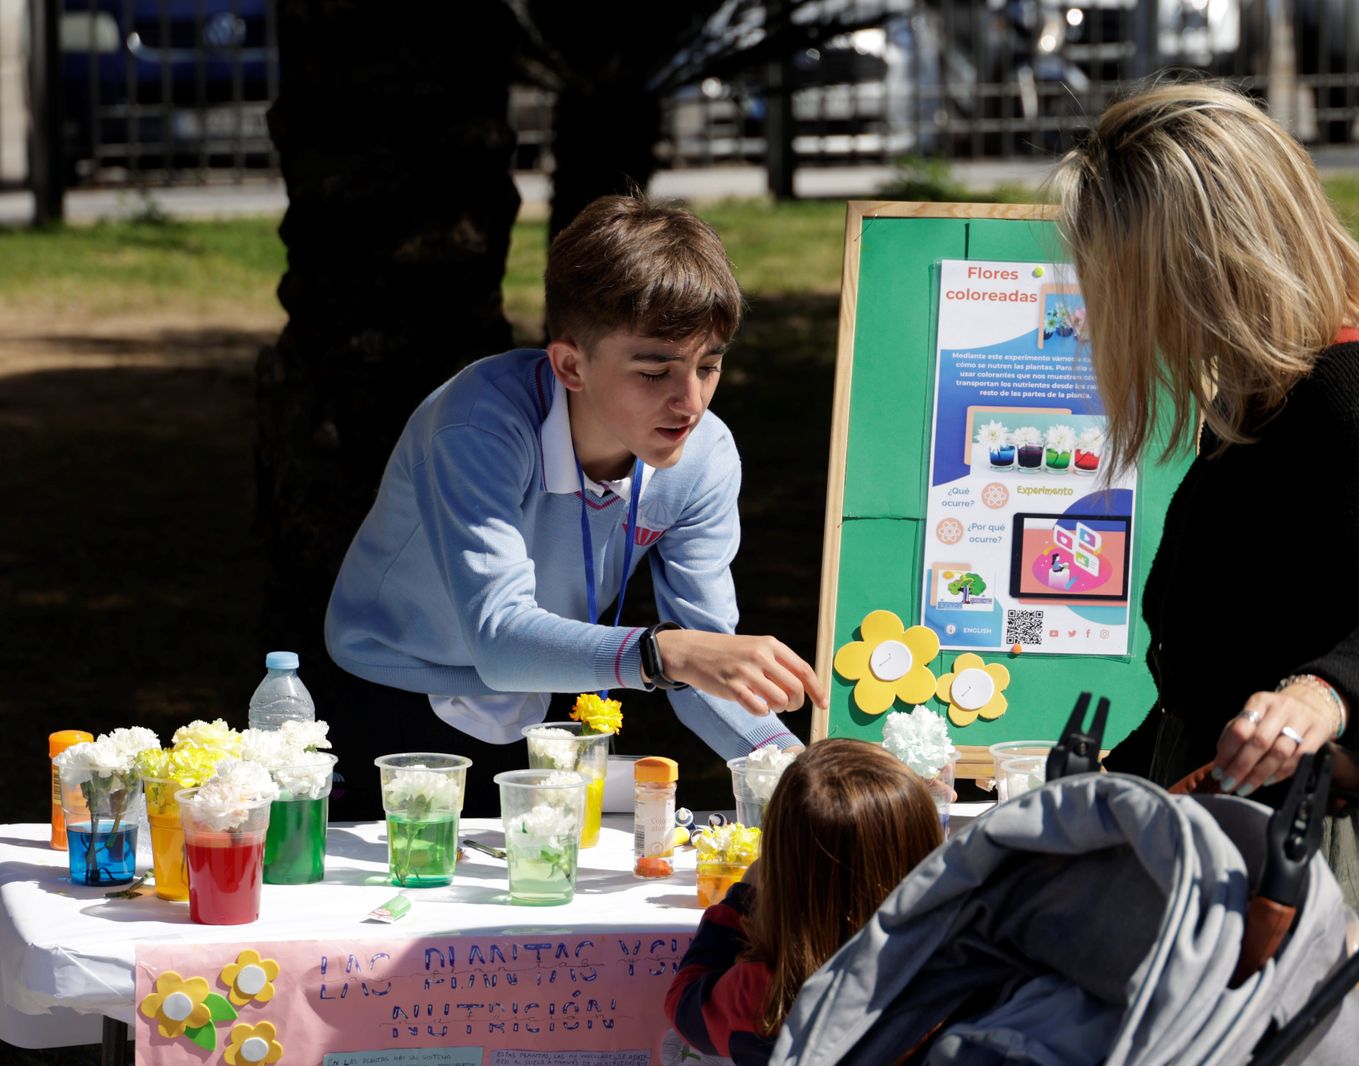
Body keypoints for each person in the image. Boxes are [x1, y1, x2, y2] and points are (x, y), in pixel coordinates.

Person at [1053, 82, 1359, 1064]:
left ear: (1191, 268)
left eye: (1111, 280)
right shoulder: (1258, 403)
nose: (1096, 310)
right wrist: (1095, 787)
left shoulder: (1350, 393)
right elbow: (1205, 682)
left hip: (1307, 856)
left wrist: (1315, 694)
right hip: (1225, 838)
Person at [323, 194, 826, 819]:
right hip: (405, 698)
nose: (691, 401)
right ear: (570, 365)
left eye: (710, 366)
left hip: (558, 684)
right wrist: (663, 653)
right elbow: (499, 640)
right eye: (654, 371)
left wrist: (798, 771)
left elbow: (707, 671)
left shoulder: (706, 455)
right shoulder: (479, 425)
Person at [666, 739, 944, 1064]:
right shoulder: (954, 979)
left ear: (780, 868)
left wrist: (741, 901)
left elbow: (683, 1002)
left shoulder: (760, 993)